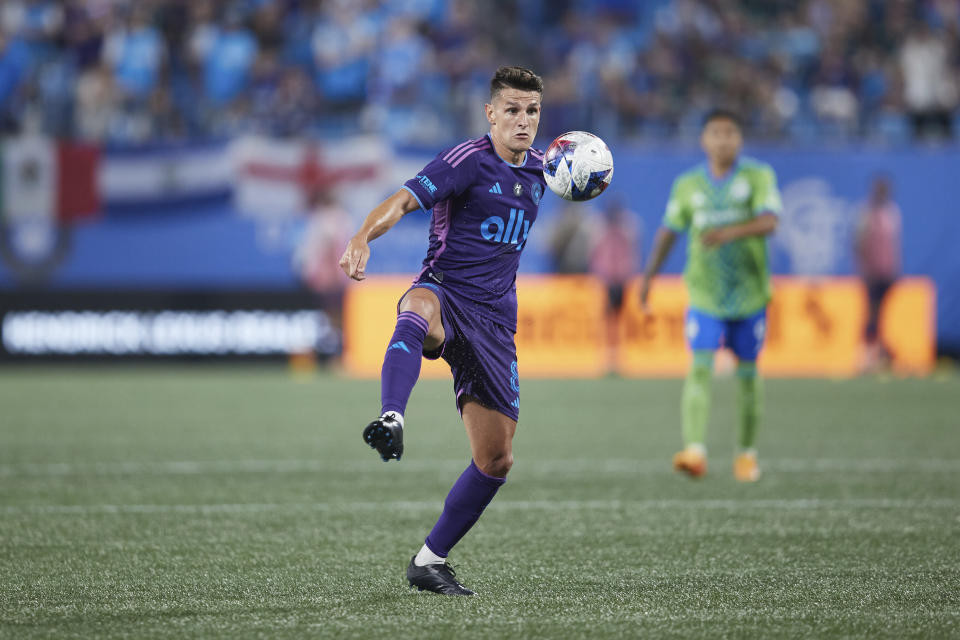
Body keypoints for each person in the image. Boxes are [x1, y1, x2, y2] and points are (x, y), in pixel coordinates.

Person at [338, 66, 546, 596]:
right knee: (417, 307)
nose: (524, 121)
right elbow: (405, 200)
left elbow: (581, 174)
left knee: (496, 459)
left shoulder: (545, 171)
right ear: (491, 113)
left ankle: (429, 561)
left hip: (496, 323)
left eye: (533, 111)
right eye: (514, 110)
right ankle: (391, 415)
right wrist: (364, 234)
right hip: (447, 293)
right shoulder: (465, 162)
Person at [638, 109, 782, 482]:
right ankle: (695, 451)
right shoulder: (687, 184)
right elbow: (669, 231)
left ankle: (746, 455)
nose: (722, 140)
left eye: (730, 133)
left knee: (748, 375)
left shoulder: (757, 176)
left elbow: (770, 221)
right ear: (703, 139)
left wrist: (727, 233)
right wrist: (648, 278)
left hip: (749, 294)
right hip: (705, 293)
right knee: (700, 366)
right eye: (715, 133)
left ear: (740, 139)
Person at [854, 175, 901, 373]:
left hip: (887, 273)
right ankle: (868, 356)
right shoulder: (865, 213)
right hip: (872, 272)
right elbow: (859, 243)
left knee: (880, 314)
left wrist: (894, 268)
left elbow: (894, 246)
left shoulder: (892, 212)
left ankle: (878, 354)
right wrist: (865, 268)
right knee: (872, 313)